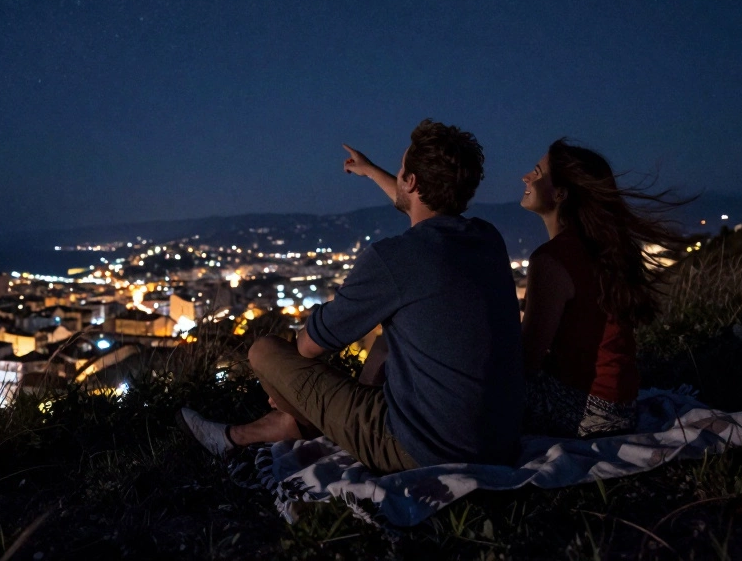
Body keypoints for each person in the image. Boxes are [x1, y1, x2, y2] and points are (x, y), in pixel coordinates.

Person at [179, 120, 524, 472]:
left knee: (265, 351)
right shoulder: (487, 239)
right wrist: (371, 172)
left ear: (411, 181)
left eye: (401, 169)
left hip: (426, 449)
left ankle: (248, 434)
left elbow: (310, 347)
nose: (398, 175)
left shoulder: (396, 258)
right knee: (388, 341)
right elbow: (421, 205)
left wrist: (288, 389)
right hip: (498, 441)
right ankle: (277, 428)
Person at [518, 139, 685, 438]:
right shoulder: (605, 250)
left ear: (560, 193)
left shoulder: (552, 260)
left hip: (583, 411)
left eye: (537, 173)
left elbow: (527, 360)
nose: (526, 177)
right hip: (620, 409)